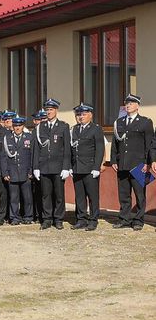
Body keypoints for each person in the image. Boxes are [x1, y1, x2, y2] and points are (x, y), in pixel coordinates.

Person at [112, 94, 153, 231]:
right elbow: (115, 144)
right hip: (122, 164)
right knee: (124, 195)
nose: (128, 105)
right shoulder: (120, 122)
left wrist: (149, 162)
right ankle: (124, 219)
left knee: (139, 195)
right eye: (126, 103)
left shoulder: (145, 122)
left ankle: (138, 220)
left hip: (138, 165)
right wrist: (113, 160)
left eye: (131, 103)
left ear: (137, 106)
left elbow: (149, 144)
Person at [33, 99, 71, 230]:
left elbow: (67, 149)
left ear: (56, 110)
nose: (49, 112)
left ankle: (58, 218)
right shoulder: (39, 128)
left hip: (58, 167)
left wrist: (66, 167)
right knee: (46, 194)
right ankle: (47, 218)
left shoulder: (63, 126)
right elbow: (36, 149)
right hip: (44, 166)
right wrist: (36, 167)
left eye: (51, 109)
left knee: (59, 195)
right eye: (47, 110)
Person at [70, 103, 104, 231]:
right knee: (79, 196)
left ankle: (93, 220)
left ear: (90, 115)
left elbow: (99, 149)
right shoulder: (74, 129)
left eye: (84, 114)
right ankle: (81, 219)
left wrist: (96, 167)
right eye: (79, 114)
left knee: (93, 196)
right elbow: (70, 149)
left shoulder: (96, 129)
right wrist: (69, 166)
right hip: (77, 168)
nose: (81, 117)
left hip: (90, 169)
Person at [1, 116, 33, 225]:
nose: (17, 128)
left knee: (27, 197)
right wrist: (5, 172)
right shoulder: (7, 138)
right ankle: (14, 217)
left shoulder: (29, 137)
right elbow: (4, 157)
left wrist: (31, 171)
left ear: (23, 126)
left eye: (19, 126)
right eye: (15, 126)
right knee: (14, 198)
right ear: (12, 126)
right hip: (12, 172)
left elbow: (32, 156)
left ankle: (28, 217)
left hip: (25, 173)